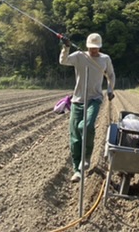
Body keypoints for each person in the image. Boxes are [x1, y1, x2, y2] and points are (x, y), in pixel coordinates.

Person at [60, 32, 115, 182]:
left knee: (87, 125)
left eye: (96, 48)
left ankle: (86, 158)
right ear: (87, 46)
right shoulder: (79, 56)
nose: (93, 51)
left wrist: (110, 90)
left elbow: (111, 75)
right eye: (91, 48)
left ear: (100, 47)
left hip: (94, 99)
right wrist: (66, 47)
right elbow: (63, 61)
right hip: (78, 100)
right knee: (75, 137)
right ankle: (77, 170)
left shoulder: (105, 59)